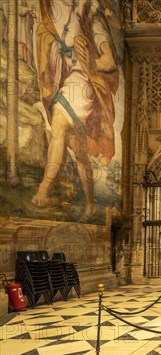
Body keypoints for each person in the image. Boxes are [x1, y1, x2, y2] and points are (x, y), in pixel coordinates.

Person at [33, 0, 119, 216]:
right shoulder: (66, 15)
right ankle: (90, 202)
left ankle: (43, 188)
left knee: (59, 123)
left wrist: (90, 61)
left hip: (85, 84)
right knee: (79, 150)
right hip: (69, 81)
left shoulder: (95, 24)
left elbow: (109, 63)